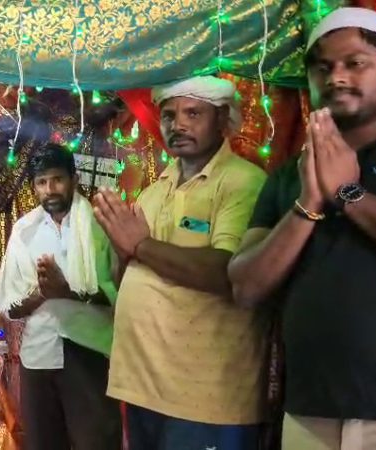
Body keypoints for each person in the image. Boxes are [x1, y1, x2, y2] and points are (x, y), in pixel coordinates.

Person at [228, 8, 376, 449]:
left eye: (355, 63)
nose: (337, 77)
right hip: (309, 408)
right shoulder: (289, 176)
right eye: (323, 67)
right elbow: (246, 286)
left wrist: (349, 193)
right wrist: (307, 204)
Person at [94, 76, 268, 449]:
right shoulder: (155, 190)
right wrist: (124, 252)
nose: (179, 124)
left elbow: (227, 271)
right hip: (143, 386)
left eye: (193, 113)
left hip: (206, 397)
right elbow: (128, 274)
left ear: (222, 120)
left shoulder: (243, 182)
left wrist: (139, 245)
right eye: (170, 115)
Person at [0, 143, 121, 450]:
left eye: (57, 179)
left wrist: (70, 293)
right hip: (39, 354)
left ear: (74, 179)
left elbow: (120, 294)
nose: (50, 189)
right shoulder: (24, 231)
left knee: (96, 442)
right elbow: (11, 307)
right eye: (41, 182)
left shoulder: (100, 226)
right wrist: (42, 296)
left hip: (90, 350)